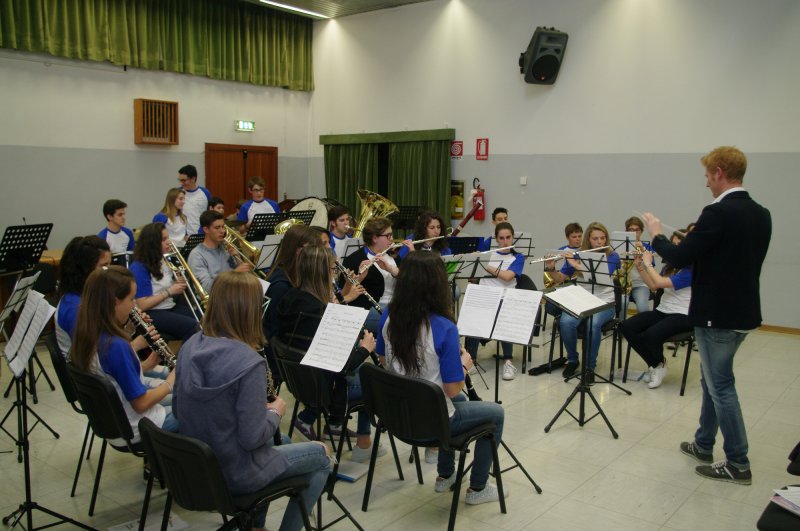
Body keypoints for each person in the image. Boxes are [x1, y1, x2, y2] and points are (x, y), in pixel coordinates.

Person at [642, 146, 771, 485]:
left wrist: (655, 233)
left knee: (721, 386)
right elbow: (730, 259)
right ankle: (703, 443)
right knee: (713, 380)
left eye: (707, 176)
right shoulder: (761, 213)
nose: (706, 184)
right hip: (743, 312)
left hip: (717, 315)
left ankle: (738, 462)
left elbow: (679, 255)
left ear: (718, 172)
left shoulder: (717, 213)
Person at [174, 271, 330, 531]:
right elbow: (251, 437)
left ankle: (255, 527)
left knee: (286, 442)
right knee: (322, 455)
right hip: (236, 473)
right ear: (249, 311)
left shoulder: (190, 345)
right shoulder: (248, 362)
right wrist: (276, 412)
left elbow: (179, 410)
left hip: (200, 467)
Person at [376, 251, 506, 505]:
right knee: (495, 414)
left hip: (398, 417)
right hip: (431, 424)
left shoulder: (387, 315)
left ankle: (445, 476)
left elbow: (383, 361)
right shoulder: (444, 327)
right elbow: (451, 389)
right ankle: (478, 488)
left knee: (456, 404)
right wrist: (464, 366)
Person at [276, 245, 384, 462]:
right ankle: (363, 442)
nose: (335, 273)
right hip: (321, 386)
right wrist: (365, 348)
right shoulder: (318, 310)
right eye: (334, 269)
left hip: (298, 381)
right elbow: (344, 366)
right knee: (375, 379)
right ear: (323, 272)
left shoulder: (291, 298)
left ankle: (335, 424)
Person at [71, 266, 177, 442]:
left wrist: (145, 365)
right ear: (114, 302)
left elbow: (115, 378)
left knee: (183, 400)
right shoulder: (116, 347)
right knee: (198, 410)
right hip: (138, 425)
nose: (134, 305)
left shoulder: (90, 332)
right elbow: (141, 403)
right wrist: (170, 382)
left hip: (116, 419)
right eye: (131, 299)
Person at [620, 231, 692, 389]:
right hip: (663, 310)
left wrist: (649, 263)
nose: (674, 249)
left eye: (679, 245)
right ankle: (657, 364)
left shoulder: (693, 269)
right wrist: (640, 267)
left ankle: (657, 366)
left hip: (683, 314)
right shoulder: (670, 267)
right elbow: (653, 286)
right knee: (626, 326)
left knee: (651, 334)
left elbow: (659, 283)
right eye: (673, 245)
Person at [558, 222, 620, 383]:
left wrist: (576, 264)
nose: (600, 242)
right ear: (588, 240)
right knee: (565, 322)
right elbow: (560, 279)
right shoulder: (578, 254)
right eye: (595, 239)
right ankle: (573, 360)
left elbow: (603, 275)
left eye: (602, 238)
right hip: (582, 301)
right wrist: (550, 268)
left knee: (593, 324)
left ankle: (589, 368)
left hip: (604, 303)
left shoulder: (612, 256)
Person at [464, 222, 524, 381]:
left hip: (505, 297)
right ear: (496, 239)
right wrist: (474, 263)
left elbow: (507, 277)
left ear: (513, 238)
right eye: (501, 238)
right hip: (484, 296)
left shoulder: (517, 257)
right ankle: (471, 360)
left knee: (504, 316)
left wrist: (483, 263)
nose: (505, 241)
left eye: (508, 237)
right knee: (471, 315)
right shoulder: (489, 254)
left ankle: (508, 362)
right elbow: (472, 277)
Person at [129, 222, 198, 342]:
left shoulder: (163, 259)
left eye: (168, 237)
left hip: (168, 306)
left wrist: (177, 283)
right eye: (164, 239)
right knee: (192, 326)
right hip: (151, 313)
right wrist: (170, 291)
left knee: (203, 319)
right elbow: (142, 304)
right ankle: (184, 359)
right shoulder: (139, 267)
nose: (168, 242)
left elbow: (164, 287)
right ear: (153, 243)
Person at [55, 235, 111, 355]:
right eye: (104, 266)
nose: (109, 272)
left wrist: (128, 328)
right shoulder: (74, 307)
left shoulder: (87, 295)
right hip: (91, 371)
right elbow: (97, 356)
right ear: (86, 269)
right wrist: (136, 344)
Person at [342, 217, 398, 335]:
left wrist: (391, 269)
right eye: (388, 236)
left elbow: (409, 282)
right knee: (399, 322)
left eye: (392, 235)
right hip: (370, 309)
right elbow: (344, 295)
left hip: (396, 304)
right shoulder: (354, 260)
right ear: (374, 237)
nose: (392, 239)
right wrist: (359, 279)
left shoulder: (394, 256)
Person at [188, 210, 251, 293]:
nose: (222, 231)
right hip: (216, 300)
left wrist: (238, 257)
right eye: (217, 228)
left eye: (223, 227)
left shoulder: (225, 248)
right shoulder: (197, 255)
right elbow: (206, 288)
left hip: (233, 292)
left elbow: (243, 275)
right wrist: (235, 273)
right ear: (206, 229)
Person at [544, 222, 583, 317]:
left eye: (579, 236)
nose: (578, 239)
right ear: (567, 237)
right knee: (549, 306)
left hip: (579, 284)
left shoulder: (584, 250)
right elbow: (559, 275)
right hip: (563, 283)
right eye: (574, 237)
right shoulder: (562, 251)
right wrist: (551, 267)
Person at [621, 216, 654, 314]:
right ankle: (621, 326)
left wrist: (642, 250)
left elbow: (650, 266)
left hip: (640, 284)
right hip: (624, 284)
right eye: (631, 230)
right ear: (626, 231)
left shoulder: (647, 247)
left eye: (637, 230)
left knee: (642, 307)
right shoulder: (621, 246)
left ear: (641, 231)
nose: (634, 233)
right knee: (622, 304)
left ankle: (643, 328)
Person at [178, 164, 211, 235]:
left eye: (184, 180)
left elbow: (209, 215)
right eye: (180, 180)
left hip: (201, 235)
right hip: (182, 237)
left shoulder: (205, 193)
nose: (181, 183)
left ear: (193, 179)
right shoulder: (177, 193)